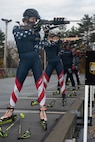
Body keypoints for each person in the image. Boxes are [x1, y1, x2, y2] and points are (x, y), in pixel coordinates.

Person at [0, 9, 47, 124]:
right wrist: (33, 29)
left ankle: (42, 110)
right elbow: (19, 35)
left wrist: (45, 37)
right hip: (24, 60)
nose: (34, 21)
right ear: (26, 18)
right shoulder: (17, 28)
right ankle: (10, 110)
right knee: (17, 86)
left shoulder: (35, 32)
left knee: (40, 85)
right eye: (33, 19)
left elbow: (37, 48)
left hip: (35, 59)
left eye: (36, 20)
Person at [42, 33, 66, 106]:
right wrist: (57, 42)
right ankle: (41, 95)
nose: (55, 39)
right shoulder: (46, 43)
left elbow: (61, 52)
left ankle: (63, 95)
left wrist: (61, 45)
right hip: (50, 63)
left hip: (58, 62)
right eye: (53, 37)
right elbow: (48, 44)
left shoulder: (57, 44)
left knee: (61, 79)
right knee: (45, 79)